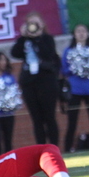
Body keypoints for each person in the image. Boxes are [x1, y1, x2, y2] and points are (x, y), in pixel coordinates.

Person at [10, 11, 61, 147]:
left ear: (42, 24)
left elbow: (48, 54)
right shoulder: (25, 40)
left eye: (36, 23)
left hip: (47, 82)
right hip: (29, 83)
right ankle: (41, 149)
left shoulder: (47, 39)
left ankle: (53, 148)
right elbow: (15, 53)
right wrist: (23, 37)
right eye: (30, 23)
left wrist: (38, 37)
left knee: (49, 117)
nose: (33, 26)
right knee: (36, 119)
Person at [62, 25, 89, 153]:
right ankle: (67, 149)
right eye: (78, 31)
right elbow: (64, 70)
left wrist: (87, 70)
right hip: (74, 90)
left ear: (87, 34)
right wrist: (76, 69)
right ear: (74, 35)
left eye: (84, 31)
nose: (81, 34)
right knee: (72, 122)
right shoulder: (68, 51)